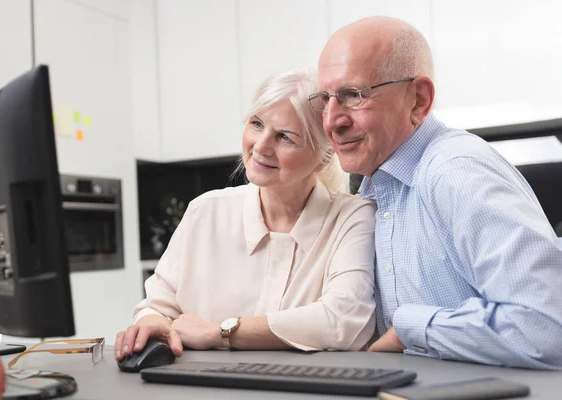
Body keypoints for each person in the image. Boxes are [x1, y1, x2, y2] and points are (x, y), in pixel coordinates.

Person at [312, 16, 562, 370]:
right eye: (326, 99)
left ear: (418, 100)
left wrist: (409, 328)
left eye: (353, 95)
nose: (331, 121)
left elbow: (547, 329)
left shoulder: (455, 170)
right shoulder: (375, 189)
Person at [114, 70, 377, 360]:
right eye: (256, 124)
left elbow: (345, 318)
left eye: (285, 137)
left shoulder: (352, 217)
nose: (261, 146)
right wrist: (151, 321)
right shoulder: (205, 211)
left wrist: (220, 333)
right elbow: (158, 306)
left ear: (324, 157)